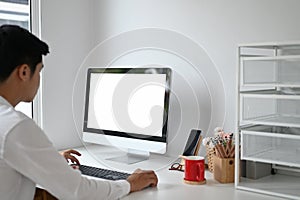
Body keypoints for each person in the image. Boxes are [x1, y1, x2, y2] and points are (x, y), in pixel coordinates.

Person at [0, 24, 158, 200]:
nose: (39, 79)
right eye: (39, 71)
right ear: (23, 72)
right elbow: (79, 191)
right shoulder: (16, 127)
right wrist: (130, 184)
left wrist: (48, 159)